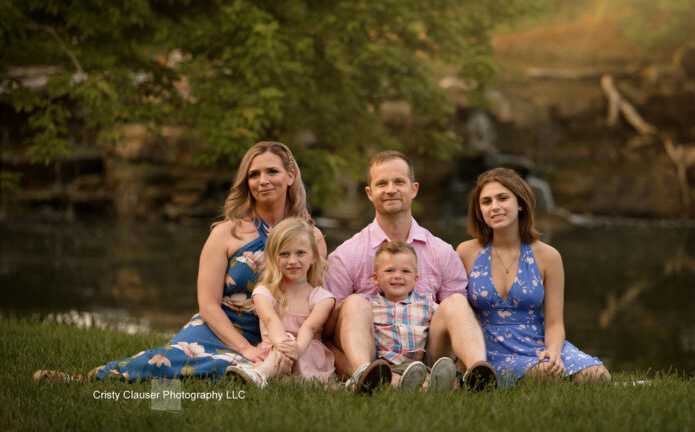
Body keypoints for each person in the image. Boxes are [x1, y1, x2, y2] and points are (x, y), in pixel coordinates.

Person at [34, 141, 326, 382]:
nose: (262, 181)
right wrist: (246, 349)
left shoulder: (312, 238)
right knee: (167, 362)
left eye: (271, 171)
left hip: (277, 337)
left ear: (290, 176)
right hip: (219, 328)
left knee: (223, 376)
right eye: (254, 174)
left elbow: (315, 298)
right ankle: (89, 380)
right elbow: (208, 304)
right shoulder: (226, 233)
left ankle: (191, 388)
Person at [325, 150, 497, 393]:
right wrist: (353, 370)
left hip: (429, 355)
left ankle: (477, 373)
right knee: (353, 303)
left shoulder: (441, 252)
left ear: (414, 189)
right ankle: (368, 377)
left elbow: (459, 323)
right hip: (375, 357)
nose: (390, 190)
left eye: (399, 182)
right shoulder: (346, 256)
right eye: (381, 183)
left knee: (457, 302)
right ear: (369, 193)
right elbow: (328, 333)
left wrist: (454, 367)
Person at [456, 168, 611, 386]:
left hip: (537, 342)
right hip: (488, 346)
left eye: (502, 198)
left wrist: (553, 351)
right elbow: (456, 313)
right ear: (479, 209)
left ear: (520, 203)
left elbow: (554, 322)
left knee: (597, 376)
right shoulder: (466, 252)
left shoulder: (549, 256)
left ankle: (555, 372)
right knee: (544, 377)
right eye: (486, 201)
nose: (495, 207)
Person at [225, 218, 335, 387]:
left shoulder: (322, 298)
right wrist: (283, 346)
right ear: (274, 257)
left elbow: (309, 327)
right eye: (284, 254)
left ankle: (259, 376)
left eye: (300, 253)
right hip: (274, 353)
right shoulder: (264, 292)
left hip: (306, 354)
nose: (292, 261)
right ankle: (268, 375)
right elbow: (271, 320)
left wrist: (296, 349)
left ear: (313, 256)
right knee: (285, 341)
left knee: (290, 341)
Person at [366, 241, 457, 392]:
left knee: (425, 378)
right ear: (375, 278)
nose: (397, 276)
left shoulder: (427, 305)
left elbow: (448, 324)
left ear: (416, 279)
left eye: (405, 271)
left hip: (420, 365)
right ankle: (412, 387)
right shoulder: (369, 307)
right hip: (387, 367)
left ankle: (430, 385)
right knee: (387, 381)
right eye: (389, 270)